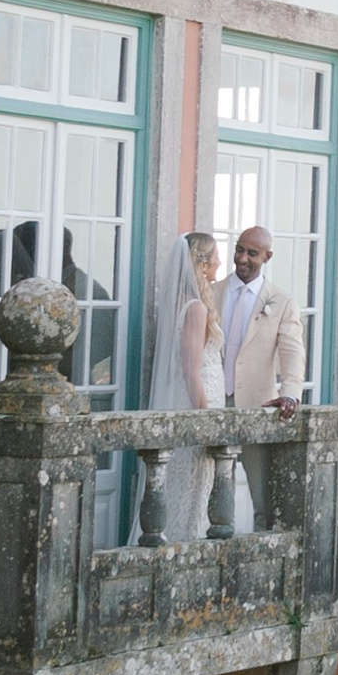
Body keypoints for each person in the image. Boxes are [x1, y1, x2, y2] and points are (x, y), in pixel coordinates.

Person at [207, 223, 306, 534]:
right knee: (208, 487)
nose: (243, 258)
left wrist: (290, 392)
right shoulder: (213, 292)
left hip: (256, 403)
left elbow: (292, 352)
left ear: (267, 256)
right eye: (239, 249)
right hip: (212, 402)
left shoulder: (281, 300)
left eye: (252, 253)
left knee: (261, 494)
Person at [143, 228, 221, 542]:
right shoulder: (194, 308)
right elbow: (191, 372)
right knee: (193, 492)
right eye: (215, 258)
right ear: (201, 264)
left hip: (197, 403)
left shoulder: (180, 303)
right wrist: (205, 420)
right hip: (197, 409)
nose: (219, 265)